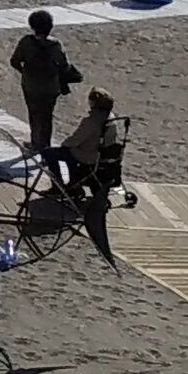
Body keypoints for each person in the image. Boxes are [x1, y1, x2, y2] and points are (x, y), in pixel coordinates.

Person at [59, 88, 127, 263]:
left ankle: (62, 184)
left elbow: (75, 139)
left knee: (56, 156)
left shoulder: (91, 121)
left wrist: (63, 146)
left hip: (88, 156)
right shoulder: (112, 120)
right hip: (104, 156)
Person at [7, 10, 81, 155]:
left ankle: (35, 142)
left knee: (33, 113)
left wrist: (26, 73)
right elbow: (64, 66)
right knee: (47, 117)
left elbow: (14, 61)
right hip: (50, 87)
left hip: (31, 85)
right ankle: (45, 146)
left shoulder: (26, 42)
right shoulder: (55, 45)